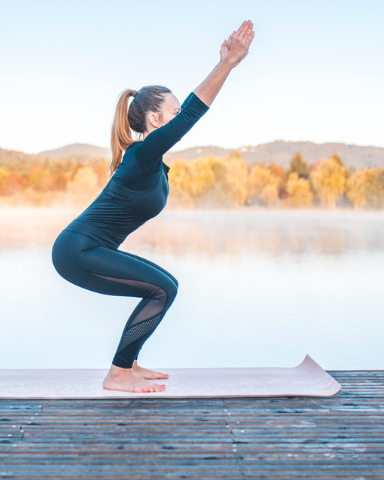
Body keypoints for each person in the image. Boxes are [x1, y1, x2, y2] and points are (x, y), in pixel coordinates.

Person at [51, 20, 255, 393]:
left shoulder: (153, 163)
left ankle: (127, 364)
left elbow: (188, 114)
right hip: (76, 250)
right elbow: (195, 111)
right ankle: (118, 374)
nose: (179, 119)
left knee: (167, 285)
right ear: (154, 120)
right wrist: (227, 64)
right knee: (161, 289)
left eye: (177, 113)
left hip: (85, 249)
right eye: (172, 113)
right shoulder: (143, 153)